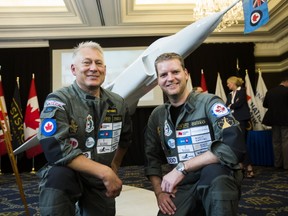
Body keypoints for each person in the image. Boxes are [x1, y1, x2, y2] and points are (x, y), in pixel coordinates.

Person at [37, 41, 132, 216]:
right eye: (87, 62)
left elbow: (125, 139)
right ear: (73, 69)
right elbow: (55, 149)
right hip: (68, 174)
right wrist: (104, 172)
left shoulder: (118, 103)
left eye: (98, 63)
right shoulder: (58, 100)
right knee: (57, 177)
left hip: (98, 180)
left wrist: (114, 165)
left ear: (104, 68)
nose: (93, 68)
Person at [144, 52, 245, 216]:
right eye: (163, 74)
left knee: (216, 175)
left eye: (175, 72)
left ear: (186, 74)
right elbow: (151, 159)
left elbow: (233, 147)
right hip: (184, 185)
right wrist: (159, 193)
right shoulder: (157, 116)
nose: (170, 78)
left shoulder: (210, 103)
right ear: (158, 81)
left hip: (215, 178)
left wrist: (182, 168)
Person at [226, 76, 254, 178]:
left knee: (241, 142)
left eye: (229, 83)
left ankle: (248, 166)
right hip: (232, 121)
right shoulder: (230, 94)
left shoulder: (242, 91)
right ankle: (242, 165)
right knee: (237, 143)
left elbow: (238, 104)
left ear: (233, 83)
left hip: (241, 120)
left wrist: (230, 105)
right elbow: (226, 105)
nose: (227, 85)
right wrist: (230, 105)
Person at [262, 76, 288, 170]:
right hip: (285, 119)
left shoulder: (270, 91)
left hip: (273, 119)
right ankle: (286, 165)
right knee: (286, 141)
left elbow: (264, 105)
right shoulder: (286, 91)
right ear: (286, 82)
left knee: (276, 142)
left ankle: (278, 164)